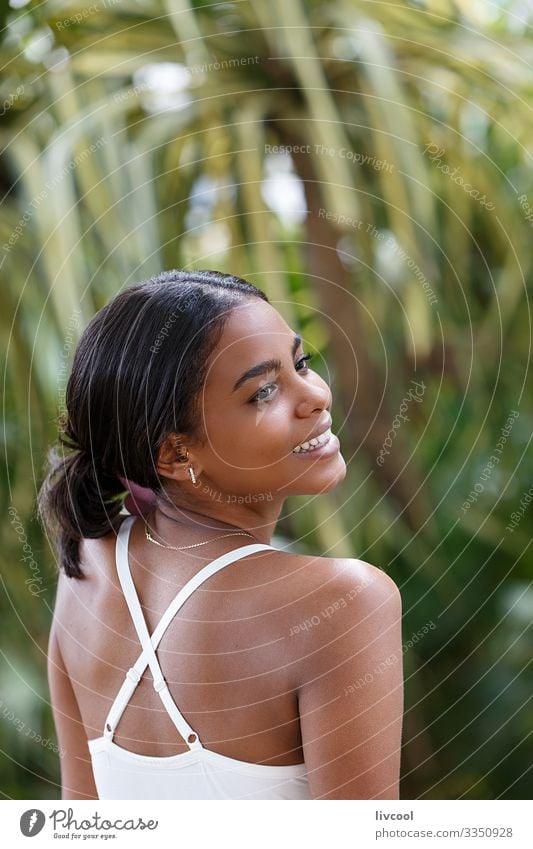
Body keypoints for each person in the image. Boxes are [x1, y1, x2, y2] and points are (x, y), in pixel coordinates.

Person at [38, 269, 403, 800]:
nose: (315, 398)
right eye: (264, 392)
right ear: (175, 453)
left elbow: (80, 821)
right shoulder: (343, 602)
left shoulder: (87, 564)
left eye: (300, 364)